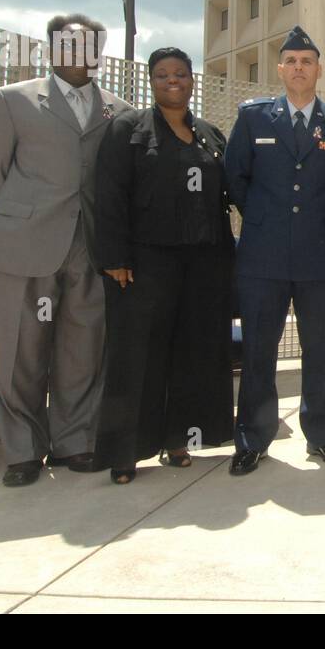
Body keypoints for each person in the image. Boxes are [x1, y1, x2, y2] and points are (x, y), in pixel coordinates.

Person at [0, 14, 132, 487]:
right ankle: (22, 450)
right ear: (52, 50)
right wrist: (23, 218)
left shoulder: (118, 110)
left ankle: (74, 442)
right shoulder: (13, 100)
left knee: (82, 349)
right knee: (21, 349)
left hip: (90, 247)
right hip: (26, 244)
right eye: (69, 44)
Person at [92, 47, 235, 484]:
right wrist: (114, 258)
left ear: (192, 80)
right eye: (162, 74)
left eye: (180, 74)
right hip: (142, 267)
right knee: (137, 358)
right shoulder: (126, 129)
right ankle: (125, 453)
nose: (172, 80)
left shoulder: (210, 135)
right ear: (151, 82)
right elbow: (108, 195)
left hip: (202, 266)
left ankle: (179, 440)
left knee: (191, 354)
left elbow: (226, 196)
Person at [225, 26, 325, 475]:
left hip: (320, 258)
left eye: (307, 61)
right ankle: (252, 439)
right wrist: (266, 219)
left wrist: (316, 223)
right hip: (262, 258)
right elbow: (235, 179)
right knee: (260, 350)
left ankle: (324, 437)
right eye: (292, 61)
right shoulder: (254, 118)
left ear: (319, 69)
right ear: (280, 69)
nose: (299, 68)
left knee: (319, 349)